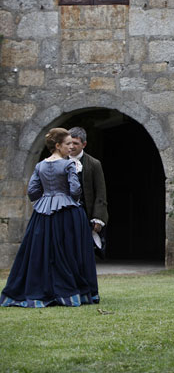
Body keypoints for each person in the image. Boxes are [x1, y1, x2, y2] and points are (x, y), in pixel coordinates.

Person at [0, 128, 99, 307]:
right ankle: (72, 292)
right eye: (68, 144)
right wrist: (69, 199)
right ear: (57, 145)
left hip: (43, 211)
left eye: (72, 144)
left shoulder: (40, 166)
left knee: (41, 252)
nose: (71, 147)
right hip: (68, 212)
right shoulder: (69, 165)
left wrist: (46, 199)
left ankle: (40, 290)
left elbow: (32, 191)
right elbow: (76, 190)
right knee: (69, 251)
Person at [68, 127, 108, 241]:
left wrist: (98, 217)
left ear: (84, 144)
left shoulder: (94, 164)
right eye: (69, 143)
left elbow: (101, 192)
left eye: (75, 143)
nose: (72, 146)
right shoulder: (60, 161)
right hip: (64, 213)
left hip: (85, 213)